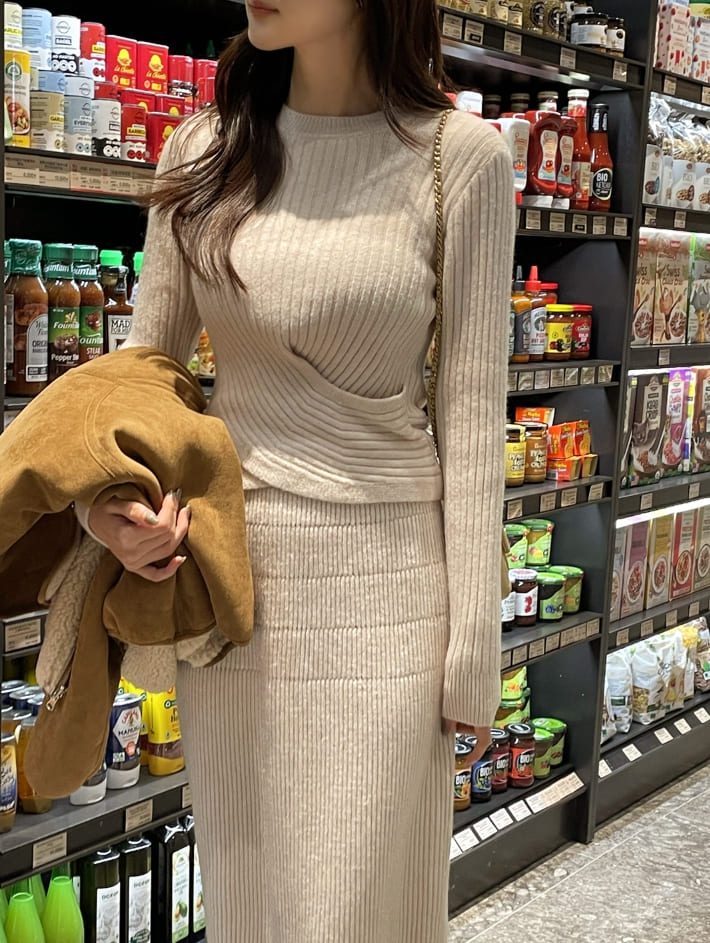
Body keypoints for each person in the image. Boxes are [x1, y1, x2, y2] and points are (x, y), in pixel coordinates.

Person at [86, 0, 515, 939]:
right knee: (252, 901)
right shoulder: (205, 148)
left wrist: (474, 648)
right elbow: (139, 384)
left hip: (388, 596)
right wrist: (111, 506)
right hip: (235, 595)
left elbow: (473, 416)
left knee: (358, 907)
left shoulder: (460, 159)